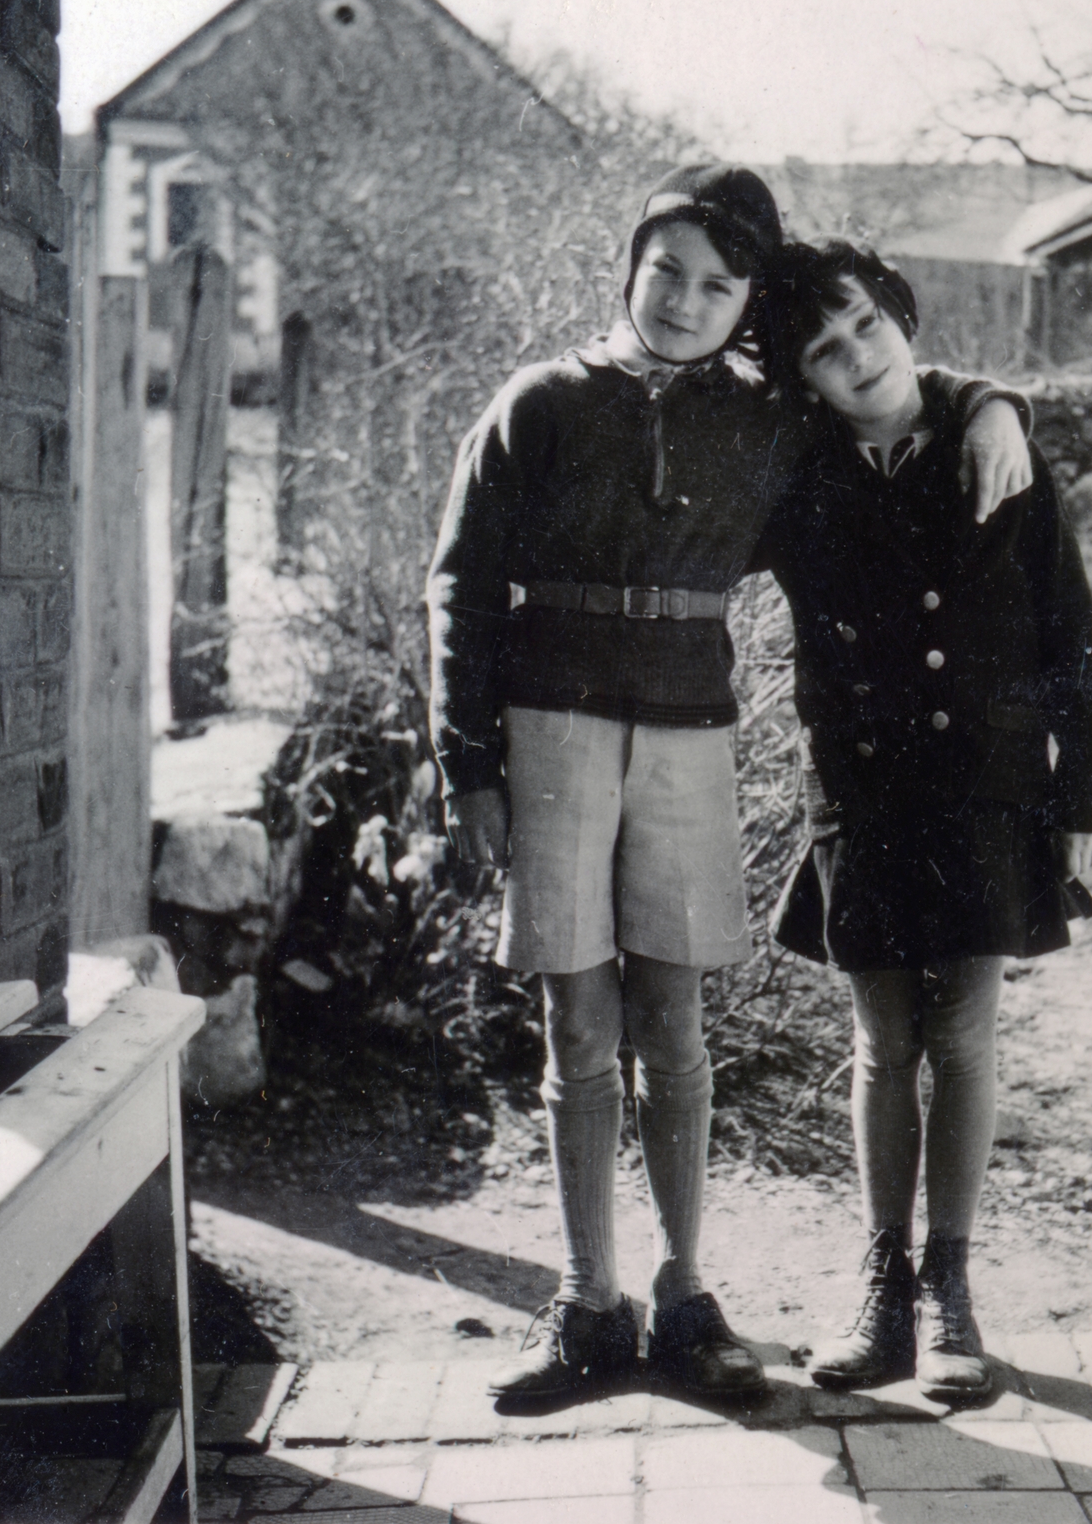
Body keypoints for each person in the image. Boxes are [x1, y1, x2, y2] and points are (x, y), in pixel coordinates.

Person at [426, 167, 1032, 1403]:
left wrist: (993, 402)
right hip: (550, 732)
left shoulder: (766, 425)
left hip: (690, 734)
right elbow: (461, 587)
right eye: (668, 271)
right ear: (629, 266)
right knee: (577, 1026)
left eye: (719, 285)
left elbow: (882, 395)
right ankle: (585, 1299)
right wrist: (466, 768)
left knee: (676, 1025)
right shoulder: (538, 404)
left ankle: (684, 1291)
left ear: (744, 302)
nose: (688, 301)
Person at [760, 238, 1092, 1402]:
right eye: (821, 349)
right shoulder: (795, 472)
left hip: (981, 784)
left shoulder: (994, 448)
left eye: (864, 324)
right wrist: (985, 393)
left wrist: (1083, 793)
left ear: (899, 316)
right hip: (861, 794)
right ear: (799, 378)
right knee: (883, 1044)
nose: (854, 357)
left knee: (962, 1038)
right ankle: (882, 1292)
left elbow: (1070, 625)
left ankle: (950, 1292)